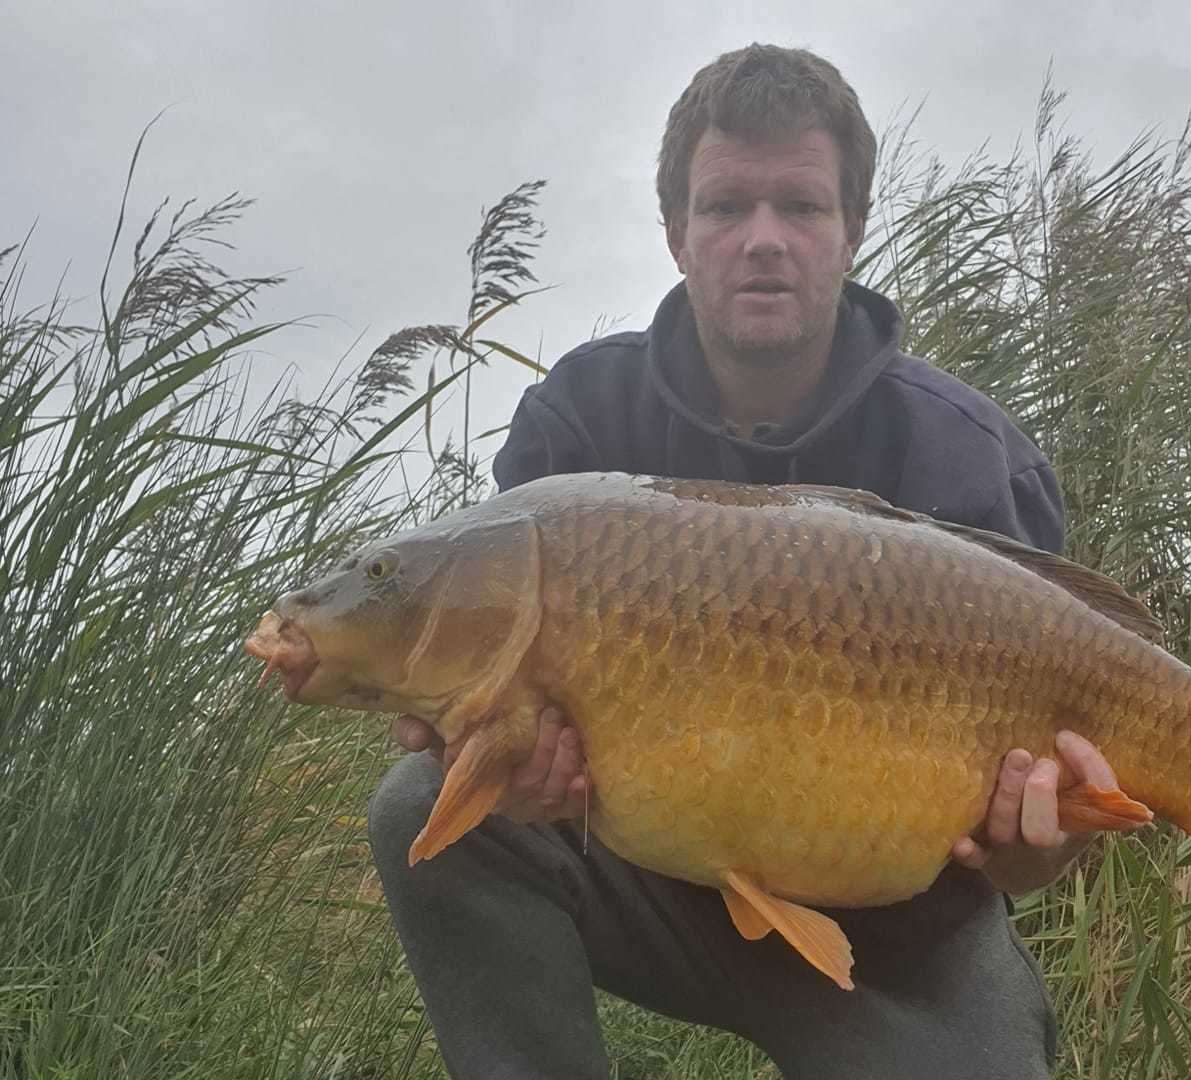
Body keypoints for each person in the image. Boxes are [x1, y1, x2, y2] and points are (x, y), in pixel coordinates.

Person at [369, 43, 1118, 1080]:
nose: (763, 240)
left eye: (801, 207)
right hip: (650, 880)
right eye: (726, 208)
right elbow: (504, 713)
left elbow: (1044, 839)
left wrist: (1043, 846)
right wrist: (512, 769)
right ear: (676, 233)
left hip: (907, 937)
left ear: (851, 230)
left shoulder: (965, 454)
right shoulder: (579, 426)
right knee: (424, 804)